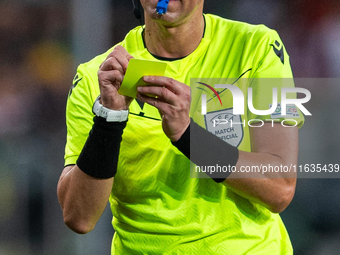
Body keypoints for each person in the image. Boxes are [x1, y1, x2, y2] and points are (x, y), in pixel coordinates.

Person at [57, 0, 304, 254]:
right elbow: (79, 218)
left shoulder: (258, 47)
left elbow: (279, 187)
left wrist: (188, 135)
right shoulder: (96, 78)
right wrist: (109, 118)